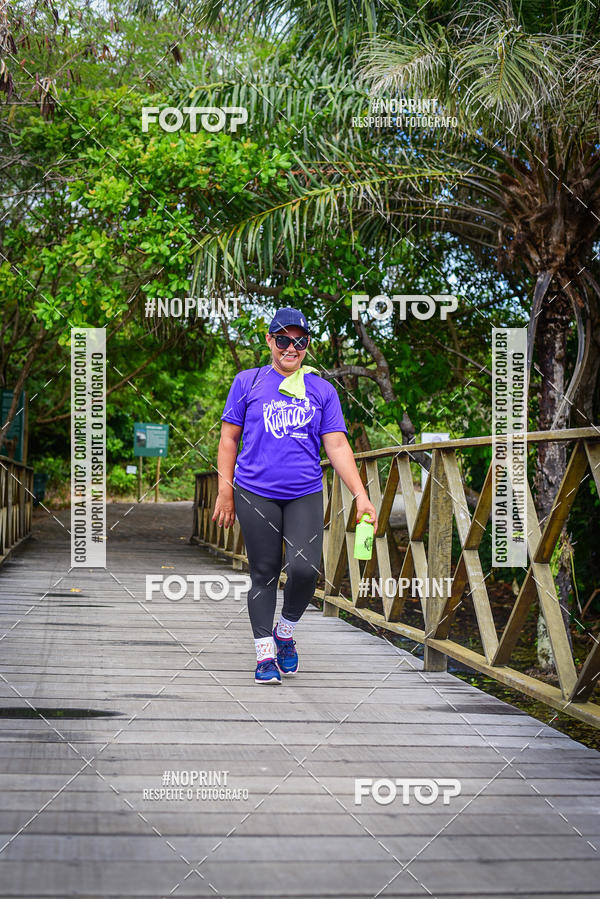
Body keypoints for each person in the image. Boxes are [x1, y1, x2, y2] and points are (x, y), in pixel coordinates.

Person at [212, 306, 378, 684]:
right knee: (264, 572)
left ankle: (284, 633)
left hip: (304, 492)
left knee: (304, 570)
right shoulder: (248, 382)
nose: (292, 347)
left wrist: (360, 495)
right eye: (283, 339)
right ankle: (264, 655)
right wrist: (224, 491)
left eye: (299, 341)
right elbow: (228, 439)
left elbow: (336, 445)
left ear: (306, 345)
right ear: (270, 341)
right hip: (255, 492)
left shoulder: (321, 389)